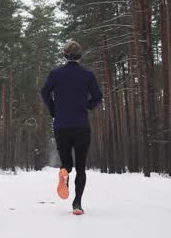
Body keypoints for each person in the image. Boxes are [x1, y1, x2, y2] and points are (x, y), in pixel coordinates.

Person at [40, 40, 102, 215]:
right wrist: (87, 106)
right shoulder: (87, 75)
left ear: (65, 55)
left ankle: (64, 174)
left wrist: (54, 109)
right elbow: (98, 96)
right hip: (81, 126)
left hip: (61, 125)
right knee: (81, 167)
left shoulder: (56, 74)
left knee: (66, 162)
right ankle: (77, 204)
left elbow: (45, 92)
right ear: (80, 56)